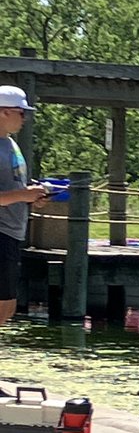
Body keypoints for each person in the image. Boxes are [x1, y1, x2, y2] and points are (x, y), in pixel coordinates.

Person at [0, 86, 48, 326]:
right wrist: (23, 194)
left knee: (7, 308)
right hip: (1, 233)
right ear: (3, 112)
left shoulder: (10, 144)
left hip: (11, 235)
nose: (25, 118)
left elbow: (14, 187)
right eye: (21, 113)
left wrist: (32, 195)